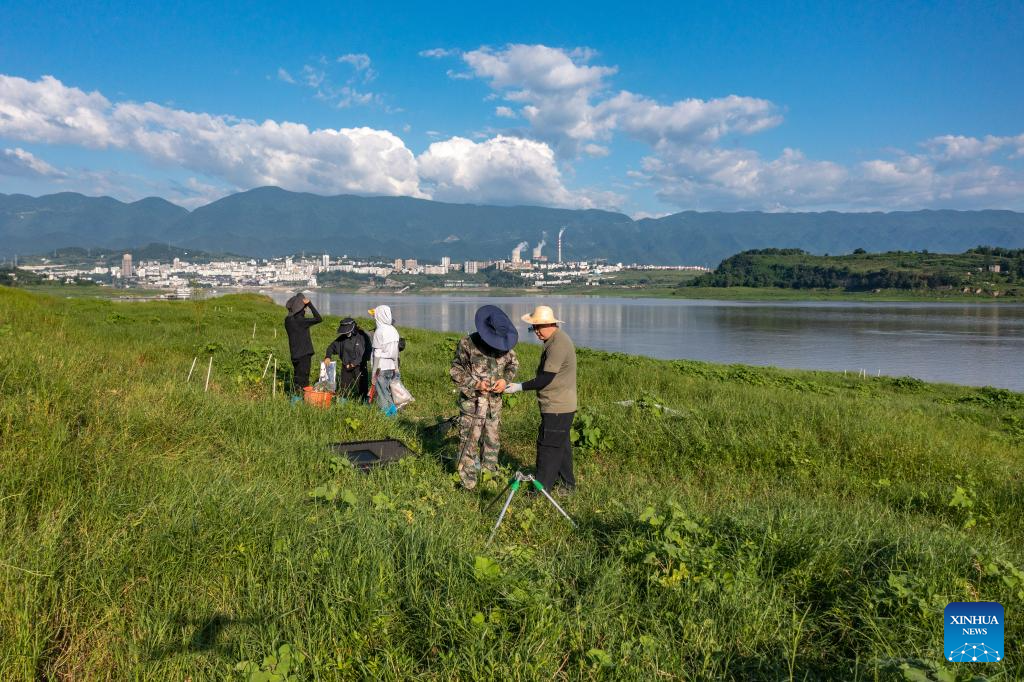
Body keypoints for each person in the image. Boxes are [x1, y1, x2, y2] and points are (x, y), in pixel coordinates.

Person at [505, 305, 577, 493]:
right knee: (560, 445)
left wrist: (518, 387)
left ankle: (541, 490)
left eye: (538, 327)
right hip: (561, 404)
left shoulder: (558, 344)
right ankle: (568, 485)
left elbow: (546, 378)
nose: (536, 331)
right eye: (533, 327)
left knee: (547, 447)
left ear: (551, 324)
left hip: (557, 406)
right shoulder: (554, 339)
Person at [450, 305, 519, 490]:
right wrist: (475, 384)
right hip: (472, 405)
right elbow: (455, 370)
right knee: (468, 442)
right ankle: (467, 483)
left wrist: (505, 380)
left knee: (492, 442)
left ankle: (489, 479)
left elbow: (513, 364)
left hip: (493, 405)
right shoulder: (467, 344)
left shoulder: (506, 346)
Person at [324, 317, 371, 401]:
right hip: (346, 366)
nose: (346, 333)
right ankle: (342, 404)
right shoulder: (342, 338)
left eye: (347, 331)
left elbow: (366, 353)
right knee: (344, 387)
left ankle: (364, 403)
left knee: (362, 387)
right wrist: (328, 356)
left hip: (359, 367)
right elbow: (331, 347)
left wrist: (354, 363)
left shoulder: (362, 337)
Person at [283, 293, 322, 394]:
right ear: (300, 309)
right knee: (304, 381)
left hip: (295, 354)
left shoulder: (288, 320)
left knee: (297, 378)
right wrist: (309, 304)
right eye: (304, 308)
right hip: (304, 355)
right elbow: (319, 318)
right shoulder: (301, 321)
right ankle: (302, 401)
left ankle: (295, 400)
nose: (305, 310)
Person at [369, 305, 400, 415]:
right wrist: (396, 368)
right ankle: (393, 413)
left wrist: (373, 372)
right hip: (391, 366)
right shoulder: (394, 330)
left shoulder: (379, 331)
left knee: (382, 394)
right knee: (387, 391)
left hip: (380, 367)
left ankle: (388, 417)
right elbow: (396, 352)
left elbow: (377, 354)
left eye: (375, 315)